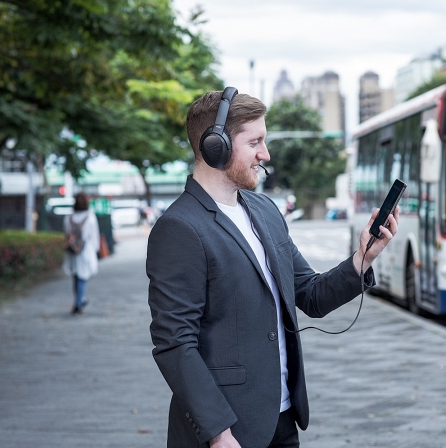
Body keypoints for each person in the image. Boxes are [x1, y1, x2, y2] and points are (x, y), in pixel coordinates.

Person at [146, 89, 399, 448]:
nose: (265, 154)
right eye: (255, 142)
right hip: (226, 432)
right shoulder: (179, 229)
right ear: (214, 146)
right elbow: (175, 343)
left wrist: (363, 258)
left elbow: (309, 295)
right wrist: (218, 433)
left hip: (281, 421)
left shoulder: (264, 210)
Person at [62, 192, 100, 314]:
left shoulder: (68, 218)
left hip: (72, 251)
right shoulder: (90, 217)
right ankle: (79, 302)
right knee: (83, 277)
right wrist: (96, 249)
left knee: (76, 277)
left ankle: (78, 300)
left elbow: (66, 234)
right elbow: (94, 236)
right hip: (85, 250)